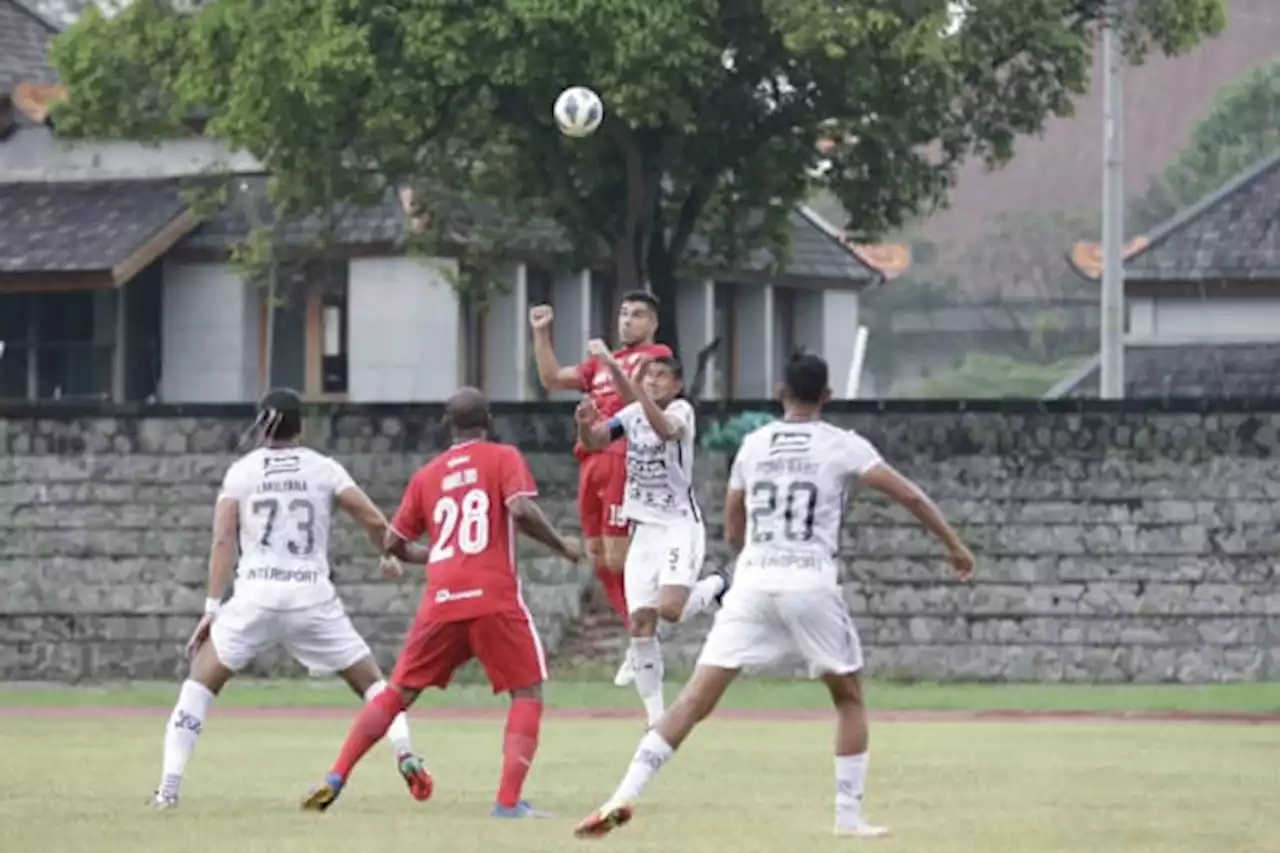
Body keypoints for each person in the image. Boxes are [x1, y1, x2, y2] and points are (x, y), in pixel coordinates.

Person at [573, 352, 976, 840]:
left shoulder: (755, 443)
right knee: (848, 698)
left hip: (754, 582)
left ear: (781, 392)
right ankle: (848, 819)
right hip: (809, 580)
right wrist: (954, 546)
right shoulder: (842, 445)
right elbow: (908, 495)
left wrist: (752, 554)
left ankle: (622, 796)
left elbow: (735, 518)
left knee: (692, 703)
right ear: (827, 397)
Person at [301, 387, 583, 819]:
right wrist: (563, 545)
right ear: (487, 422)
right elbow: (521, 510)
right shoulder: (503, 457)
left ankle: (336, 775)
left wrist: (436, 556)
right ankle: (508, 803)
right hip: (493, 596)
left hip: (443, 598)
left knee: (397, 693)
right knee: (526, 692)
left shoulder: (427, 475)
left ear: (446, 426)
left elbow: (394, 542)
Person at [150, 388, 431, 809]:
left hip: (255, 597)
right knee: (374, 684)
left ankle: (168, 789)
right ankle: (405, 752)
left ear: (262, 426)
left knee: (199, 683)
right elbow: (373, 518)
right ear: (302, 426)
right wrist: (390, 554)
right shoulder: (324, 469)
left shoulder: (241, 472)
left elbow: (224, 538)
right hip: (311, 598)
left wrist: (211, 608)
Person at [575, 347, 729, 728]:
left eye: (661, 376)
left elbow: (664, 430)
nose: (653, 381)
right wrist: (583, 423)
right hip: (643, 528)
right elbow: (595, 441)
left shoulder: (681, 412)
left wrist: (618, 371)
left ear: (677, 385)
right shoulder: (630, 415)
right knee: (640, 623)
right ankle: (655, 717)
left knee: (670, 611)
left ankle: (718, 583)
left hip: (678, 525)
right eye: (647, 376)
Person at [530, 291, 673, 687]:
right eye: (624, 313)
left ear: (653, 323)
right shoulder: (598, 364)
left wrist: (611, 361)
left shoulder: (653, 355)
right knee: (597, 557)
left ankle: (642, 635)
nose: (627, 321)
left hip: (619, 455)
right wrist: (541, 333)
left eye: (638, 315)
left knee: (617, 558)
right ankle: (638, 631)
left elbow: (638, 401)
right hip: (590, 458)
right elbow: (552, 378)